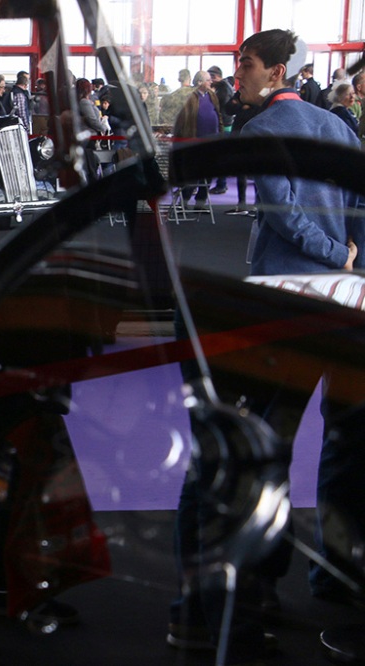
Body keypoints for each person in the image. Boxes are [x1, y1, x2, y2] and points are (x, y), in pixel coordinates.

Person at [168, 28, 363, 666]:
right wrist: (352, 267)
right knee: (328, 442)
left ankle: (223, 606)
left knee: (253, 448)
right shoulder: (339, 126)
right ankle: (316, 578)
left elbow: (282, 213)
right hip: (336, 307)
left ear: (277, 70)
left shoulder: (261, 131)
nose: (238, 73)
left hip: (279, 307)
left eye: (246, 63)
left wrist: (333, 254)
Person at [172, 69, 221, 210]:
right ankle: (184, 201)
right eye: (208, 80)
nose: (211, 82)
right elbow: (182, 118)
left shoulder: (212, 95)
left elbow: (218, 114)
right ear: (199, 82)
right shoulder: (189, 96)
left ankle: (201, 202)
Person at [207, 65, 235, 195]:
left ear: (216, 76)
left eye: (210, 78)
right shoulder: (224, 87)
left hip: (223, 126)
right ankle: (221, 184)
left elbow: (220, 105)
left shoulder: (223, 88)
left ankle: (221, 185)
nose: (209, 81)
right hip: (224, 125)